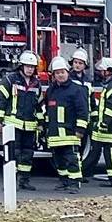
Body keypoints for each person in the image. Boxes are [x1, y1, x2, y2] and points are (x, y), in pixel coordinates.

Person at [42, 63, 89, 193]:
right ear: (54, 75)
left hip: (70, 133)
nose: (60, 75)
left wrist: (80, 129)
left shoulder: (76, 90)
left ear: (68, 72)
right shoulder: (51, 90)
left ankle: (74, 183)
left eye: (62, 72)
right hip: (55, 134)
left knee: (72, 159)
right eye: (57, 73)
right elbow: (47, 109)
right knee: (58, 159)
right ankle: (64, 181)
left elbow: (83, 111)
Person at [1, 51, 43, 190]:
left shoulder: (36, 84)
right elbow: (1, 100)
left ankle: (24, 181)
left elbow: (38, 105)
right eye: (27, 66)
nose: (30, 69)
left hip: (30, 125)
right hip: (14, 123)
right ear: (21, 66)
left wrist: (41, 123)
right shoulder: (10, 80)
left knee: (27, 154)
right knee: (14, 153)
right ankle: (11, 182)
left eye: (32, 67)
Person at [85, 57, 112, 188]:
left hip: (111, 129)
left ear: (109, 71)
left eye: (102, 70)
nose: (100, 72)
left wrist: (104, 123)